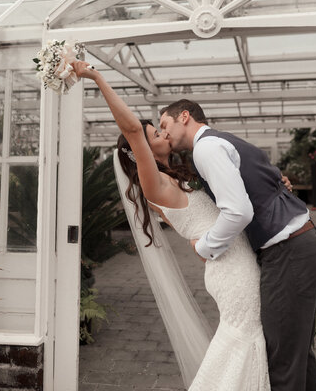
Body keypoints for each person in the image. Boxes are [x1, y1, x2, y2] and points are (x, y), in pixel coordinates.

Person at [73, 60, 270, 390]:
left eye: (162, 129)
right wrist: (95, 76)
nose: (163, 133)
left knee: (245, 339)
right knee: (244, 338)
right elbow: (133, 129)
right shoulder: (156, 186)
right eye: (156, 133)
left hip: (233, 259)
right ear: (142, 151)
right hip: (230, 269)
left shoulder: (182, 173)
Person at [159, 99, 316, 391]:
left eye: (164, 125)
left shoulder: (206, 148)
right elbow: (267, 179)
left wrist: (205, 247)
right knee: (298, 355)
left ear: (184, 117)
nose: (163, 134)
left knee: (282, 363)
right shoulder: (223, 141)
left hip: (289, 251)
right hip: (303, 243)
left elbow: (238, 211)